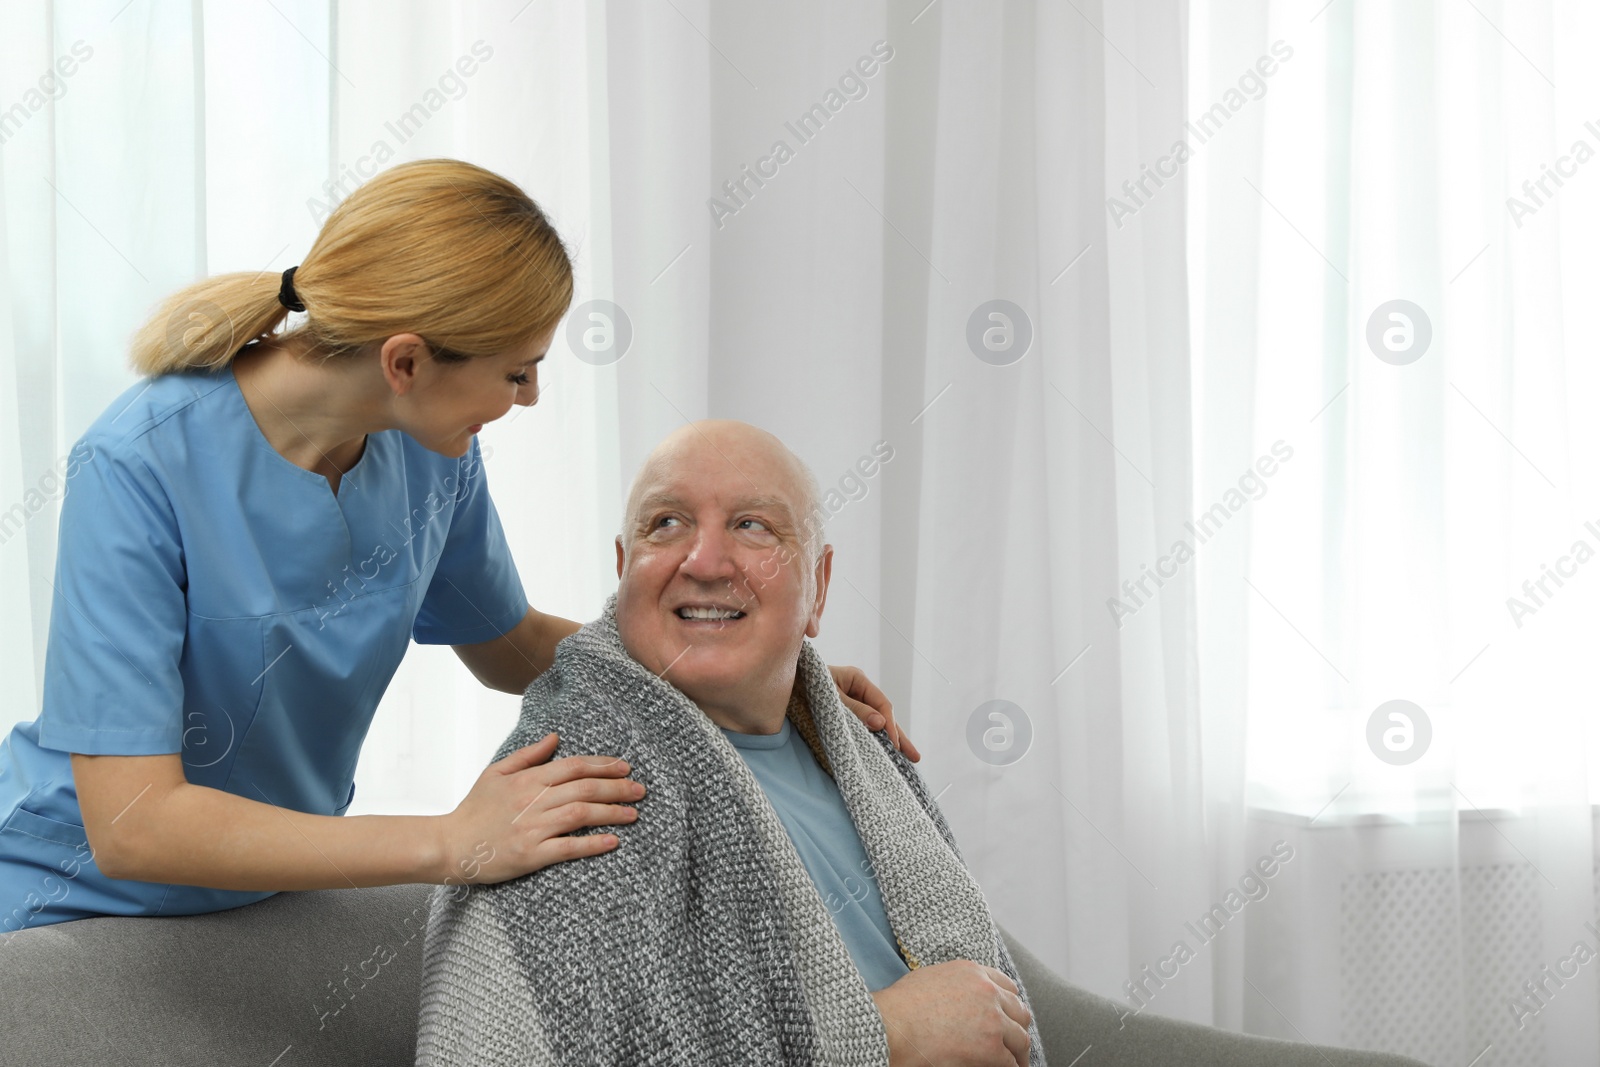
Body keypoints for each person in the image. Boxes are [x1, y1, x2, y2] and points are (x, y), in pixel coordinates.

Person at [0, 159, 913, 936]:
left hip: (263, 899)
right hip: (76, 901)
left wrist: (751, 671)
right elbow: (133, 823)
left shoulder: (431, 451)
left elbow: (507, 644)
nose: (529, 399)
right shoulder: (138, 463)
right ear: (405, 363)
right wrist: (452, 836)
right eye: (517, 371)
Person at [416, 420, 1041, 1067]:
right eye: (666, 523)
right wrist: (887, 1034)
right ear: (623, 569)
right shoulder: (572, 793)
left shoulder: (861, 751)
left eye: (752, 526)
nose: (706, 562)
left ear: (818, 588)